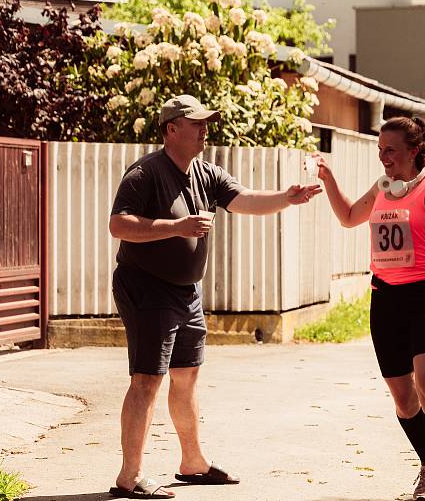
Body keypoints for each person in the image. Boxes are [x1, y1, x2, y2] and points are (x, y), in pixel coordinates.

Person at [108, 94, 321, 499]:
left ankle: (192, 463)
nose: (205, 128)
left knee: (186, 377)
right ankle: (129, 476)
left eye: (207, 122)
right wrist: (177, 226)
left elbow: (244, 201)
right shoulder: (145, 173)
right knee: (147, 380)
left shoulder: (206, 172)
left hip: (187, 293)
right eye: (197, 122)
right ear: (171, 129)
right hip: (147, 288)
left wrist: (287, 198)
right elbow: (119, 225)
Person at [313, 117, 425, 501]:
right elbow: (347, 218)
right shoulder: (381, 189)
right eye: (380, 151)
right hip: (385, 299)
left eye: (390, 150)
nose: (383, 158)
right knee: (404, 399)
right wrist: (328, 179)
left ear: (413, 150)